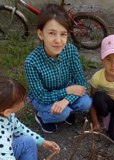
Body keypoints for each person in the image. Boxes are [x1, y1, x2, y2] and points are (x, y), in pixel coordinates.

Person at [25, 4, 92, 133]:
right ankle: (42, 117)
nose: (58, 40)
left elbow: (82, 83)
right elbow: (41, 96)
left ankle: (67, 109)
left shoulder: (71, 50)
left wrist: (66, 100)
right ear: (41, 34)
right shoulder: (31, 62)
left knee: (86, 103)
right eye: (51, 33)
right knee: (62, 114)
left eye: (63, 34)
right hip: (44, 98)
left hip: (67, 92)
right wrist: (68, 90)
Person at [0, 76, 60, 160]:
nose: (24, 102)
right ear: (6, 111)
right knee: (27, 143)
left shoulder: (5, 114)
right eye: (21, 101)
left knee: (26, 140)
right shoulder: (2, 138)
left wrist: (42, 141)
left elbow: (18, 128)